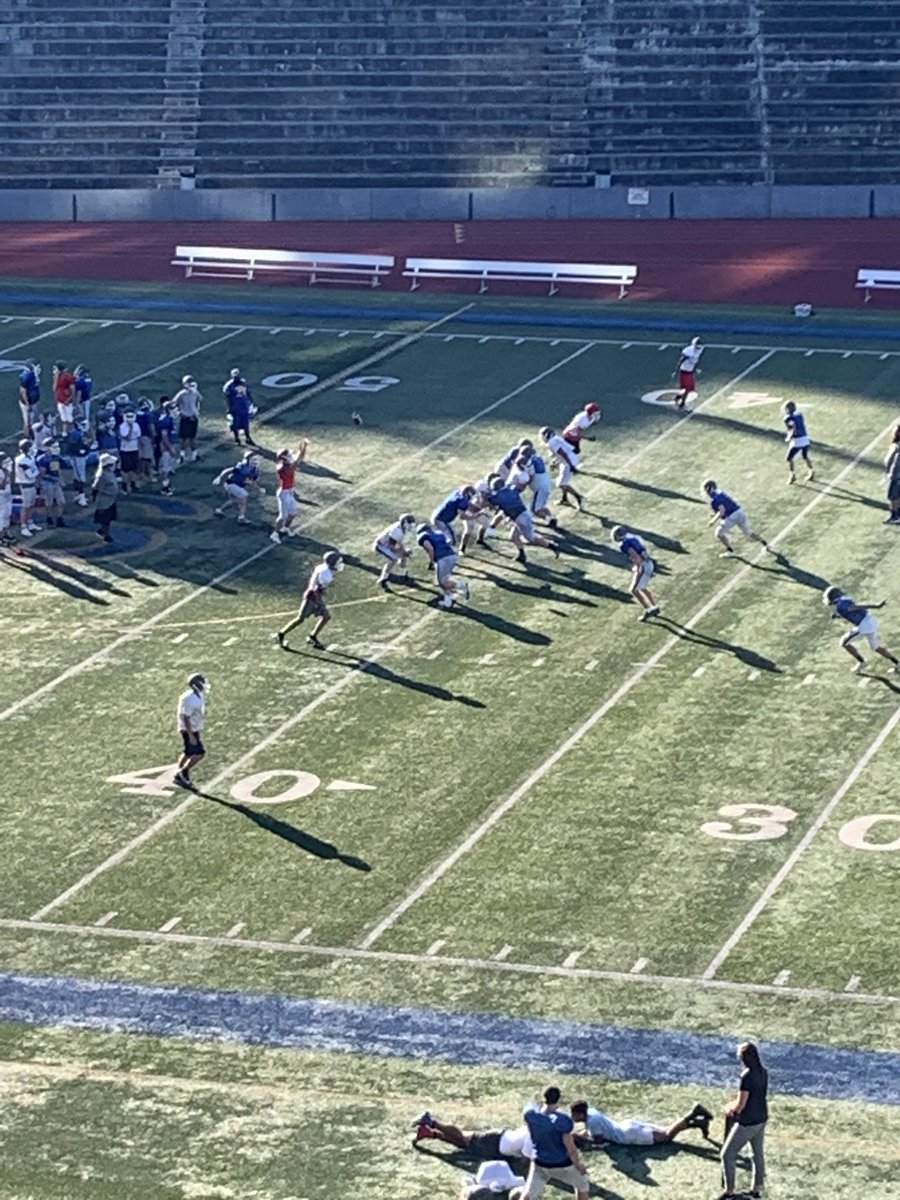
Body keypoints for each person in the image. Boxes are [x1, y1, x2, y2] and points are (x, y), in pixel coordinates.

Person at [512, 1087, 589, 1200]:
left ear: (544, 1098)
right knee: (582, 1185)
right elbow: (571, 1148)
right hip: (561, 1164)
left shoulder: (531, 1116)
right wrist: (579, 1166)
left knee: (528, 1194)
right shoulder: (563, 1121)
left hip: (539, 1162)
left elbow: (531, 1109)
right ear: (558, 1099)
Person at [719, 1041, 768, 1200]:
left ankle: (729, 1191)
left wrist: (730, 1108)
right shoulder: (763, 1072)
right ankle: (756, 1189)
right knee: (757, 1154)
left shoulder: (746, 1076)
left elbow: (741, 1104)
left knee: (727, 1154)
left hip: (748, 1122)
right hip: (761, 1118)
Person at [823, 585, 900, 674]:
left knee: (844, 642)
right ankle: (897, 663)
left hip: (864, 626)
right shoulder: (845, 600)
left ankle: (862, 662)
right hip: (871, 622)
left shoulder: (841, 605)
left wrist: (877, 606)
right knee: (875, 647)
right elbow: (850, 610)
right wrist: (837, 616)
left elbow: (858, 607)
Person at [570, 1098, 713, 1146]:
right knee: (666, 1130)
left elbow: (599, 1141)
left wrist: (583, 1141)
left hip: (628, 1135)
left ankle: (693, 1113)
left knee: (667, 1136)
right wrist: (580, 1134)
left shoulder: (592, 1122)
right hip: (628, 1125)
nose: (572, 1117)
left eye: (574, 1114)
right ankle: (698, 1123)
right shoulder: (592, 1113)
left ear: (581, 1114)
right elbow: (590, 1130)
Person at [277, 550, 343, 650]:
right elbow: (316, 590)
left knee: (326, 616)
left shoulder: (322, 567)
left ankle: (313, 636)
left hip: (314, 595)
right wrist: (319, 603)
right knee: (300, 619)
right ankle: (281, 634)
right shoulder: (326, 575)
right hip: (312, 597)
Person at [412, 1110, 534, 1164]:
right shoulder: (533, 1136)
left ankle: (430, 1133)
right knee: (463, 1137)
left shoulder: (534, 1130)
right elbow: (525, 1160)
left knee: (463, 1143)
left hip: (497, 1146)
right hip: (494, 1143)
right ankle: (431, 1122)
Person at [488, 475, 559, 566]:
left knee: (531, 539)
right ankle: (522, 555)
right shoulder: (512, 490)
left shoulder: (498, 496)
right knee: (514, 536)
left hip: (521, 519)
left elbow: (491, 502)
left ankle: (552, 546)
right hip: (523, 515)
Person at [703, 479, 772, 557]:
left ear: (710, 488)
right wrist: (716, 515)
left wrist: (713, 520)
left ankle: (730, 551)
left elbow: (722, 511)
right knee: (749, 533)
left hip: (732, 516)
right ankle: (766, 544)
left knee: (719, 534)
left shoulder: (714, 498)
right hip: (740, 512)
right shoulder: (721, 493)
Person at [611, 526, 660, 619]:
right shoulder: (633, 537)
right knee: (642, 588)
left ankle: (649, 609)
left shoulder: (624, 544)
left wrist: (638, 568)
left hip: (643, 565)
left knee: (633, 590)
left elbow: (635, 556)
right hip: (649, 563)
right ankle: (654, 606)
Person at [417, 521, 469, 608]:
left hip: (443, 559)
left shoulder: (424, 537)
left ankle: (461, 585)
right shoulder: (439, 533)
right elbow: (447, 542)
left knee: (442, 583)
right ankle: (448, 601)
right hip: (452, 556)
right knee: (443, 580)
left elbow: (430, 549)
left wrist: (432, 561)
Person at [174, 673, 208, 790]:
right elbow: (186, 717)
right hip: (189, 730)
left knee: (188, 753)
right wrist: (190, 735)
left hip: (194, 728)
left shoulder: (197, 695)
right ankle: (182, 773)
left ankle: (178, 772)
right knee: (199, 753)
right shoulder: (190, 699)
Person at [271, 441, 308, 543]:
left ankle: (285, 528)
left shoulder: (287, 464)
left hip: (290, 492)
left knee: (293, 513)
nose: (290, 455)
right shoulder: (282, 467)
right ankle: (274, 534)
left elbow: (299, 459)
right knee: (283, 516)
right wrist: (300, 451)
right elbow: (294, 464)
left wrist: (304, 448)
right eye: (287, 455)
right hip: (284, 493)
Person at [539, 426, 583, 509]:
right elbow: (560, 454)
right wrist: (556, 463)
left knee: (561, 484)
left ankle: (579, 497)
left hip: (569, 461)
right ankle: (565, 499)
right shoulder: (554, 439)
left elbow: (563, 454)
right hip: (568, 460)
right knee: (562, 480)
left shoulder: (552, 442)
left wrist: (571, 466)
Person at [213, 451, 263, 524]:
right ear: (248, 460)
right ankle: (241, 517)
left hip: (236, 485)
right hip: (231, 483)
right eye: (253, 459)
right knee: (244, 496)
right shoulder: (242, 466)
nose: (255, 461)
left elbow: (252, 481)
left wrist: (258, 488)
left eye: (256, 459)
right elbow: (228, 470)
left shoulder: (255, 470)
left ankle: (219, 510)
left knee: (234, 500)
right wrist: (220, 478)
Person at [374, 513, 417, 590]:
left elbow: (398, 542)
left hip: (389, 543)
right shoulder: (397, 532)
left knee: (403, 555)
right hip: (381, 546)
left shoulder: (400, 528)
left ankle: (402, 575)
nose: (411, 526)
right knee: (393, 559)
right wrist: (402, 551)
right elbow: (392, 546)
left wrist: (403, 551)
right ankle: (383, 579)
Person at [36, 439, 67, 528]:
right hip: (47, 482)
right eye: (54, 447)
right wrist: (54, 478)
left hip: (55, 482)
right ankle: (49, 519)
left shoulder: (56, 457)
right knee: (49, 502)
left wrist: (60, 479)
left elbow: (56, 469)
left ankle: (59, 519)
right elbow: (42, 474)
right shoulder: (42, 459)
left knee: (61, 501)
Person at [13, 438, 41, 537]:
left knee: (32, 504)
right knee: (26, 506)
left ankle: (30, 522)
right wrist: (38, 472)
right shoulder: (21, 460)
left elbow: (34, 471)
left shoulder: (30, 458)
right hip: (25, 485)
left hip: (31, 484)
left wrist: (36, 472)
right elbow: (31, 474)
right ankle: (23, 526)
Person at [783, 400, 814, 484]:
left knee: (789, 458)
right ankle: (811, 471)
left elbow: (793, 428)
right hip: (805, 438)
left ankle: (792, 475)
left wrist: (789, 437)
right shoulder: (799, 415)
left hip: (797, 440)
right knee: (805, 456)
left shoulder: (788, 418)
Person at [223, 369, 256, 446]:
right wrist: (228, 408)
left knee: (246, 423)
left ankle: (247, 438)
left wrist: (251, 403)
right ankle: (237, 438)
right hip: (235, 408)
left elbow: (248, 393)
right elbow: (227, 398)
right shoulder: (229, 385)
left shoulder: (244, 383)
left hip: (244, 406)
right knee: (235, 424)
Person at [92, 452, 119, 543]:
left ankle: (102, 531)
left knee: (109, 518)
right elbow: (96, 487)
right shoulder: (102, 475)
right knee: (106, 519)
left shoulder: (110, 473)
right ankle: (106, 535)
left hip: (111, 499)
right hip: (105, 500)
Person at [174, 374, 202, 462]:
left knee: (191, 437)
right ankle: (184, 455)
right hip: (186, 417)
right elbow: (175, 403)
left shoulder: (194, 392)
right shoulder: (182, 394)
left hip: (192, 417)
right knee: (185, 438)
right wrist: (179, 412)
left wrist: (196, 410)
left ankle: (193, 454)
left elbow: (199, 400)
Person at [156, 397, 178, 495]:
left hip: (171, 444)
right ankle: (164, 488)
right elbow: (164, 437)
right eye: (174, 408)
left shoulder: (170, 418)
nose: (177, 410)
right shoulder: (165, 420)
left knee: (169, 468)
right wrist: (171, 448)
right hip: (167, 447)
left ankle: (167, 485)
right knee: (166, 468)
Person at [674, 336, 703, 409]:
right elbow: (682, 360)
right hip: (685, 371)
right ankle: (682, 403)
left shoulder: (698, 350)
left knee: (689, 388)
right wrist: (677, 369)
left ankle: (678, 397)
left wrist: (695, 369)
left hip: (690, 371)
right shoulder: (689, 351)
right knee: (687, 388)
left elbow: (696, 360)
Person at [118, 406, 142, 492]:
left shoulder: (137, 425)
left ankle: (133, 484)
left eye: (131, 416)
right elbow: (127, 437)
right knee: (125, 469)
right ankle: (124, 486)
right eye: (128, 416)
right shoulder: (122, 426)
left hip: (134, 449)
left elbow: (138, 437)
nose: (130, 418)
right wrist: (131, 428)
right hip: (125, 451)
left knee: (134, 468)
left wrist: (139, 450)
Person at [18, 359, 41, 438]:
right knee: (27, 422)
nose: (38, 367)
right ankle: (27, 437)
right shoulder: (25, 376)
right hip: (28, 402)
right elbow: (23, 391)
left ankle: (33, 436)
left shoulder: (33, 374)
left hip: (34, 400)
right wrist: (27, 403)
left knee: (35, 420)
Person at [53, 360, 76, 433]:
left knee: (70, 419)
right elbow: (54, 388)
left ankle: (72, 432)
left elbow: (73, 389)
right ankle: (64, 432)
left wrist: (69, 399)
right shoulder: (57, 376)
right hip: (60, 400)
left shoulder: (68, 377)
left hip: (67, 401)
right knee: (64, 419)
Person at [883, 423, 900, 524]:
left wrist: (887, 472)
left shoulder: (896, 445)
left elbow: (888, 460)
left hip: (896, 474)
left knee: (893, 497)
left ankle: (894, 516)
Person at [0, 454, 15, 546]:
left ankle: (5, 535)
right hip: (1, 498)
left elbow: (12, 482)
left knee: (7, 517)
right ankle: (0, 539)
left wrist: (10, 473)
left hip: (7, 496)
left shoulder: (5, 470)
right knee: (1, 519)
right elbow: (1, 486)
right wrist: (6, 476)